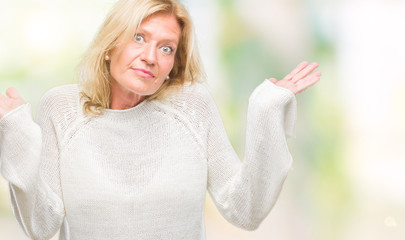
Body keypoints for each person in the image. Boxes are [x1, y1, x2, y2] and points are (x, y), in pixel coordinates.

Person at [0, 0, 321, 239]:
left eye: (166, 48)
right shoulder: (62, 108)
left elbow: (245, 210)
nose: (150, 57)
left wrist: (265, 111)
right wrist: (17, 139)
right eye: (139, 38)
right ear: (111, 44)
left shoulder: (192, 106)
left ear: (173, 64)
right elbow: (41, 226)